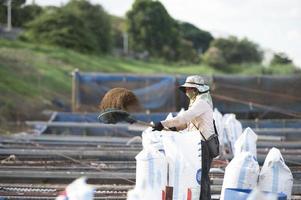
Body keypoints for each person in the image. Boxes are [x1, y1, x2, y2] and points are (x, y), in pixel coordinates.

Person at [152, 75, 215, 200]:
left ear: (195, 90)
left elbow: (183, 118)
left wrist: (163, 124)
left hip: (203, 144)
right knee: (199, 177)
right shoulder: (195, 102)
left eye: (189, 89)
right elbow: (186, 124)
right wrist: (172, 128)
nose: (186, 91)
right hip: (197, 144)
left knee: (201, 177)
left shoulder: (202, 103)